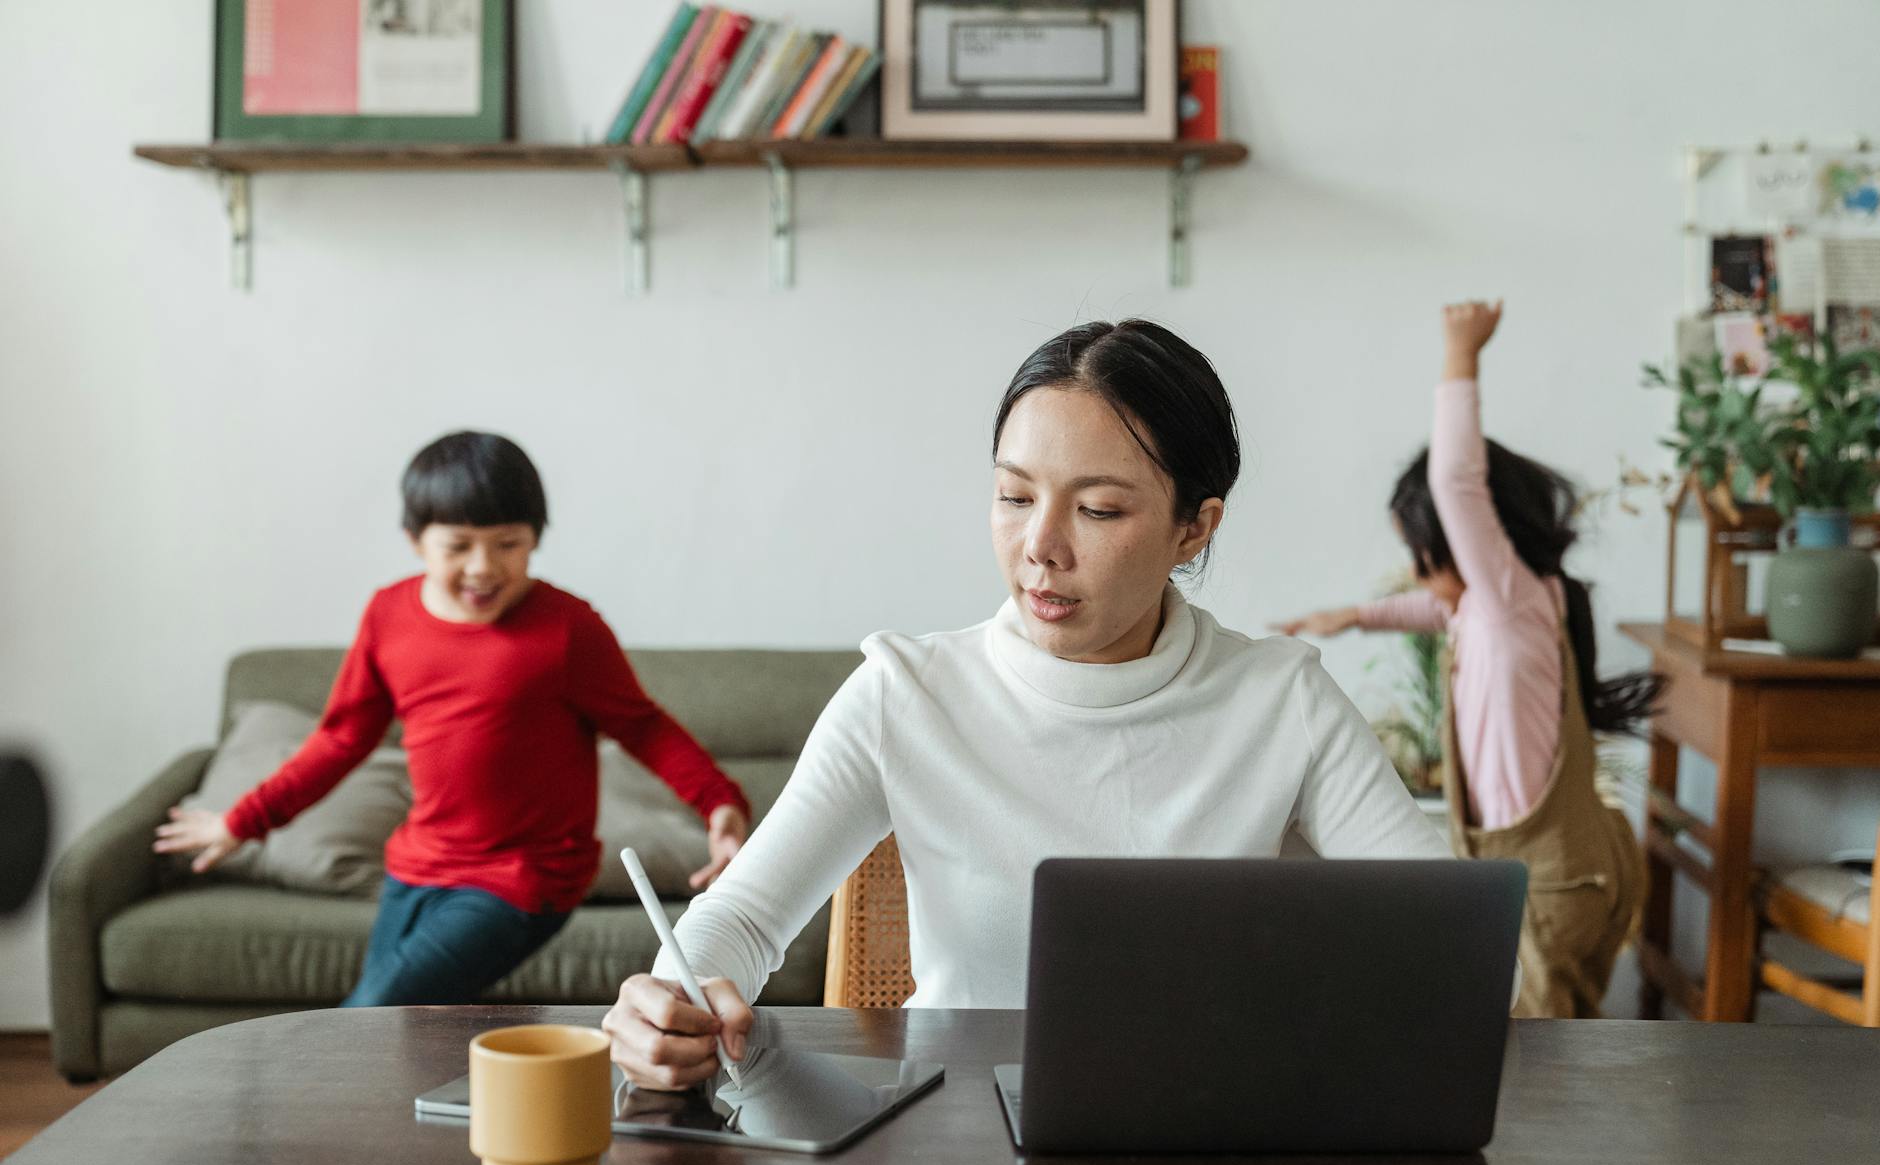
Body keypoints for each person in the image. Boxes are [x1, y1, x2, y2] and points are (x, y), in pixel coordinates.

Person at [603, 320, 1452, 1091]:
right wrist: (672, 997)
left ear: (1195, 528)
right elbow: (745, 916)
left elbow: (1444, 934)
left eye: (1098, 509)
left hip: (1208, 1137)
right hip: (956, 1151)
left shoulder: (1280, 698)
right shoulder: (907, 693)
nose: (1040, 547)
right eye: (1014, 496)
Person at [155, 431, 752, 1006]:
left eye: (508, 544)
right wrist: (244, 821)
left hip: (525, 878)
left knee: (370, 1016)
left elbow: (642, 726)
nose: (484, 567)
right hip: (417, 865)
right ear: (417, 540)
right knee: (396, 1035)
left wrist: (718, 803)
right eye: (459, 545)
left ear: (536, 539)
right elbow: (341, 739)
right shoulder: (389, 615)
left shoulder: (568, 629)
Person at [1275, 301, 1658, 1018]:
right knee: (1529, 1043)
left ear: (1467, 543)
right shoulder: (1506, 609)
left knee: (1540, 1056)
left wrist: (1461, 354)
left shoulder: (1508, 596)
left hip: (1552, 882)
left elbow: (1455, 481)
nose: (1418, 579)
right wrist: (1355, 615)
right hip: (1550, 868)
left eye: (1421, 557)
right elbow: (1435, 608)